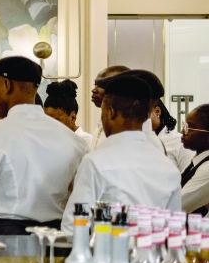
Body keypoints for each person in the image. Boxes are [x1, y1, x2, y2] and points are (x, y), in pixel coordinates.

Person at [0, 56, 88, 236]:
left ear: (6, 84)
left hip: (6, 235)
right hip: (55, 238)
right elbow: (81, 199)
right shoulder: (74, 141)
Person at [61, 74, 182, 232]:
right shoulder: (168, 167)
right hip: (151, 253)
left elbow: (74, 226)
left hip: (106, 252)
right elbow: (173, 228)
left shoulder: (96, 162)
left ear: (110, 112)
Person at [43, 79, 93, 149]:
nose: (50, 125)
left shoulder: (88, 143)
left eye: (56, 121)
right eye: (47, 120)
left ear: (73, 118)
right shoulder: (46, 141)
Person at [88, 65, 129, 150]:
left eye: (101, 85)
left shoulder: (125, 130)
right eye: (95, 85)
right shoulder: (100, 126)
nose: (94, 90)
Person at [151, 96, 195, 172]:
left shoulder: (180, 142)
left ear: (157, 111)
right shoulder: (137, 143)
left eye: (142, 114)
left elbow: (189, 177)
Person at [180, 104, 209, 215]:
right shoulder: (196, 161)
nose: (183, 131)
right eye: (184, 125)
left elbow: (179, 205)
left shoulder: (207, 168)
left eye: (189, 127)